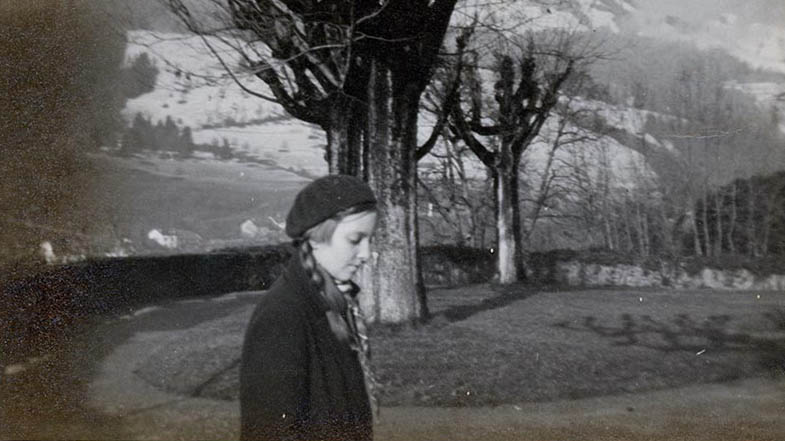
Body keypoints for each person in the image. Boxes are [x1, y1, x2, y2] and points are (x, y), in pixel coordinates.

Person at [240, 174, 379, 441]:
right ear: (316, 237)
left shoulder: (336, 303)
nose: (366, 254)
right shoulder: (282, 316)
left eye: (369, 240)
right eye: (355, 239)